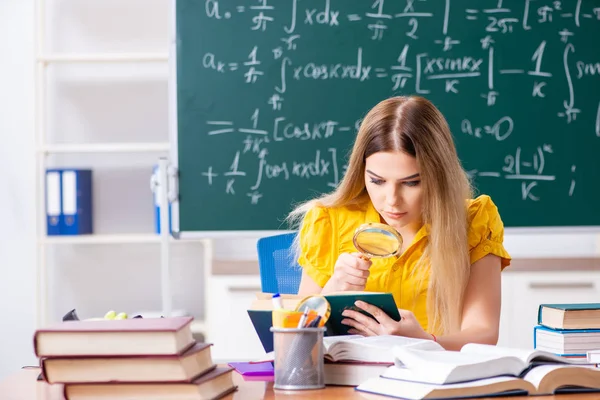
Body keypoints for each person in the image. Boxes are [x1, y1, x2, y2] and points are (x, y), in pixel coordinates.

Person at [286, 96, 511, 351]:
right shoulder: (328, 220)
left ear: (438, 175)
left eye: (411, 182)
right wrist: (334, 287)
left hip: (437, 376)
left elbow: (484, 332)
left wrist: (424, 342)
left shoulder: (475, 221)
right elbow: (295, 337)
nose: (392, 201)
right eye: (377, 181)